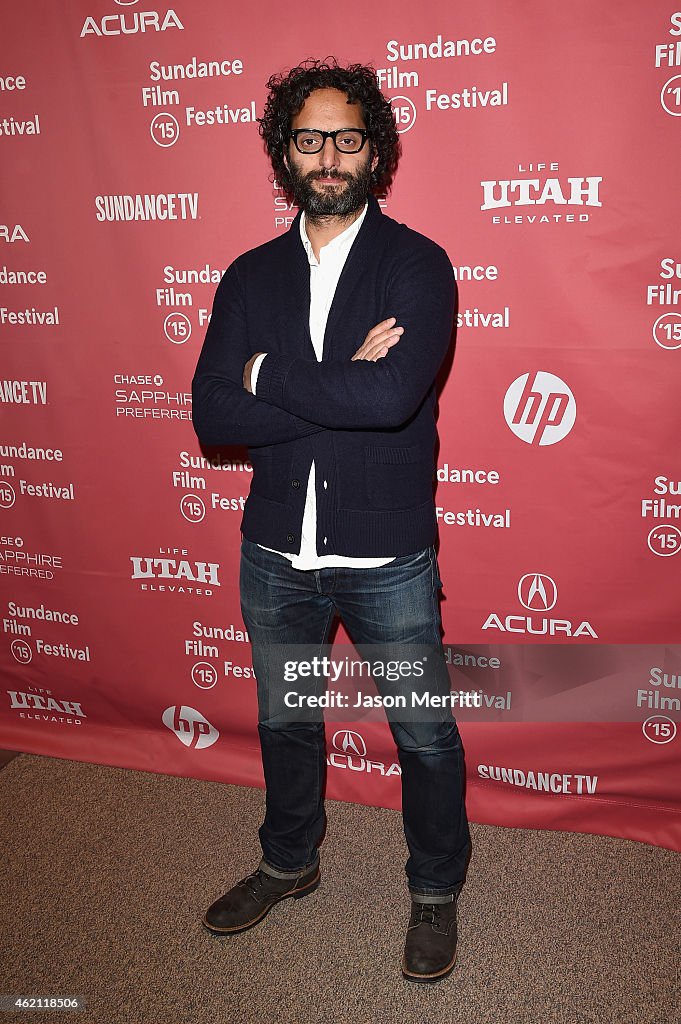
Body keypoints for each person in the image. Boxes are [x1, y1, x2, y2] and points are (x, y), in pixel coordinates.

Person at [191, 58, 470, 984]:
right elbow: (213, 418)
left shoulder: (415, 263)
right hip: (274, 549)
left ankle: (434, 885)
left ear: (374, 149)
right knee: (287, 722)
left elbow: (390, 398)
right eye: (308, 137)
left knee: (423, 732)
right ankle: (288, 860)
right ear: (283, 150)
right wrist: (338, 382)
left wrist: (268, 375)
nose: (328, 154)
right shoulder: (249, 274)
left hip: (386, 551)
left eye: (347, 136)